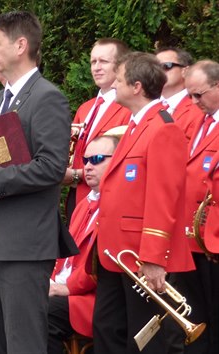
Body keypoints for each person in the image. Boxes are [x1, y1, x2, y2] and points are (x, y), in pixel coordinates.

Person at [0, 11, 74, 353]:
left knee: (23, 341)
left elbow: (52, 167)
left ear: (20, 45)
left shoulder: (47, 97)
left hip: (24, 244)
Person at [94, 52, 193, 354]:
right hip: (118, 252)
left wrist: (153, 258)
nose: (112, 85)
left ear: (136, 87)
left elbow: (163, 199)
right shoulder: (138, 124)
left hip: (139, 255)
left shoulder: (163, 128)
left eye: (119, 80)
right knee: (108, 329)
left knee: (144, 341)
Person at [48, 135, 119, 353]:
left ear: (117, 161)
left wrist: (65, 287)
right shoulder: (83, 204)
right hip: (65, 288)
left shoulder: (118, 205)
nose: (87, 166)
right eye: (85, 160)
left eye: (97, 159)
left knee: (39, 312)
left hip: (90, 297)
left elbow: (94, 267)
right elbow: (64, 256)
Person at [170, 59, 219, 354]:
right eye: (190, 95)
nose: (193, 102)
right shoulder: (200, 120)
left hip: (212, 240)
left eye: (199, 95)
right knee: (197, 319)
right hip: (190, 239)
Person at [63, 38, 131, 222]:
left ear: (121, 66)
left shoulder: (129, 109)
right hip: (76, 199)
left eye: (104, 61)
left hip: (108, 200)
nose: (96, 67)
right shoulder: (85, 108)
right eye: (93, 61)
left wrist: (76, 175)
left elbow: (121, 162)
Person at [156, 47, 204, 141]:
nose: (159, 72)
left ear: (185, 71)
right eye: (154, 68)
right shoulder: (149, 105)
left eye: (166, 66)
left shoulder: (199, 107)